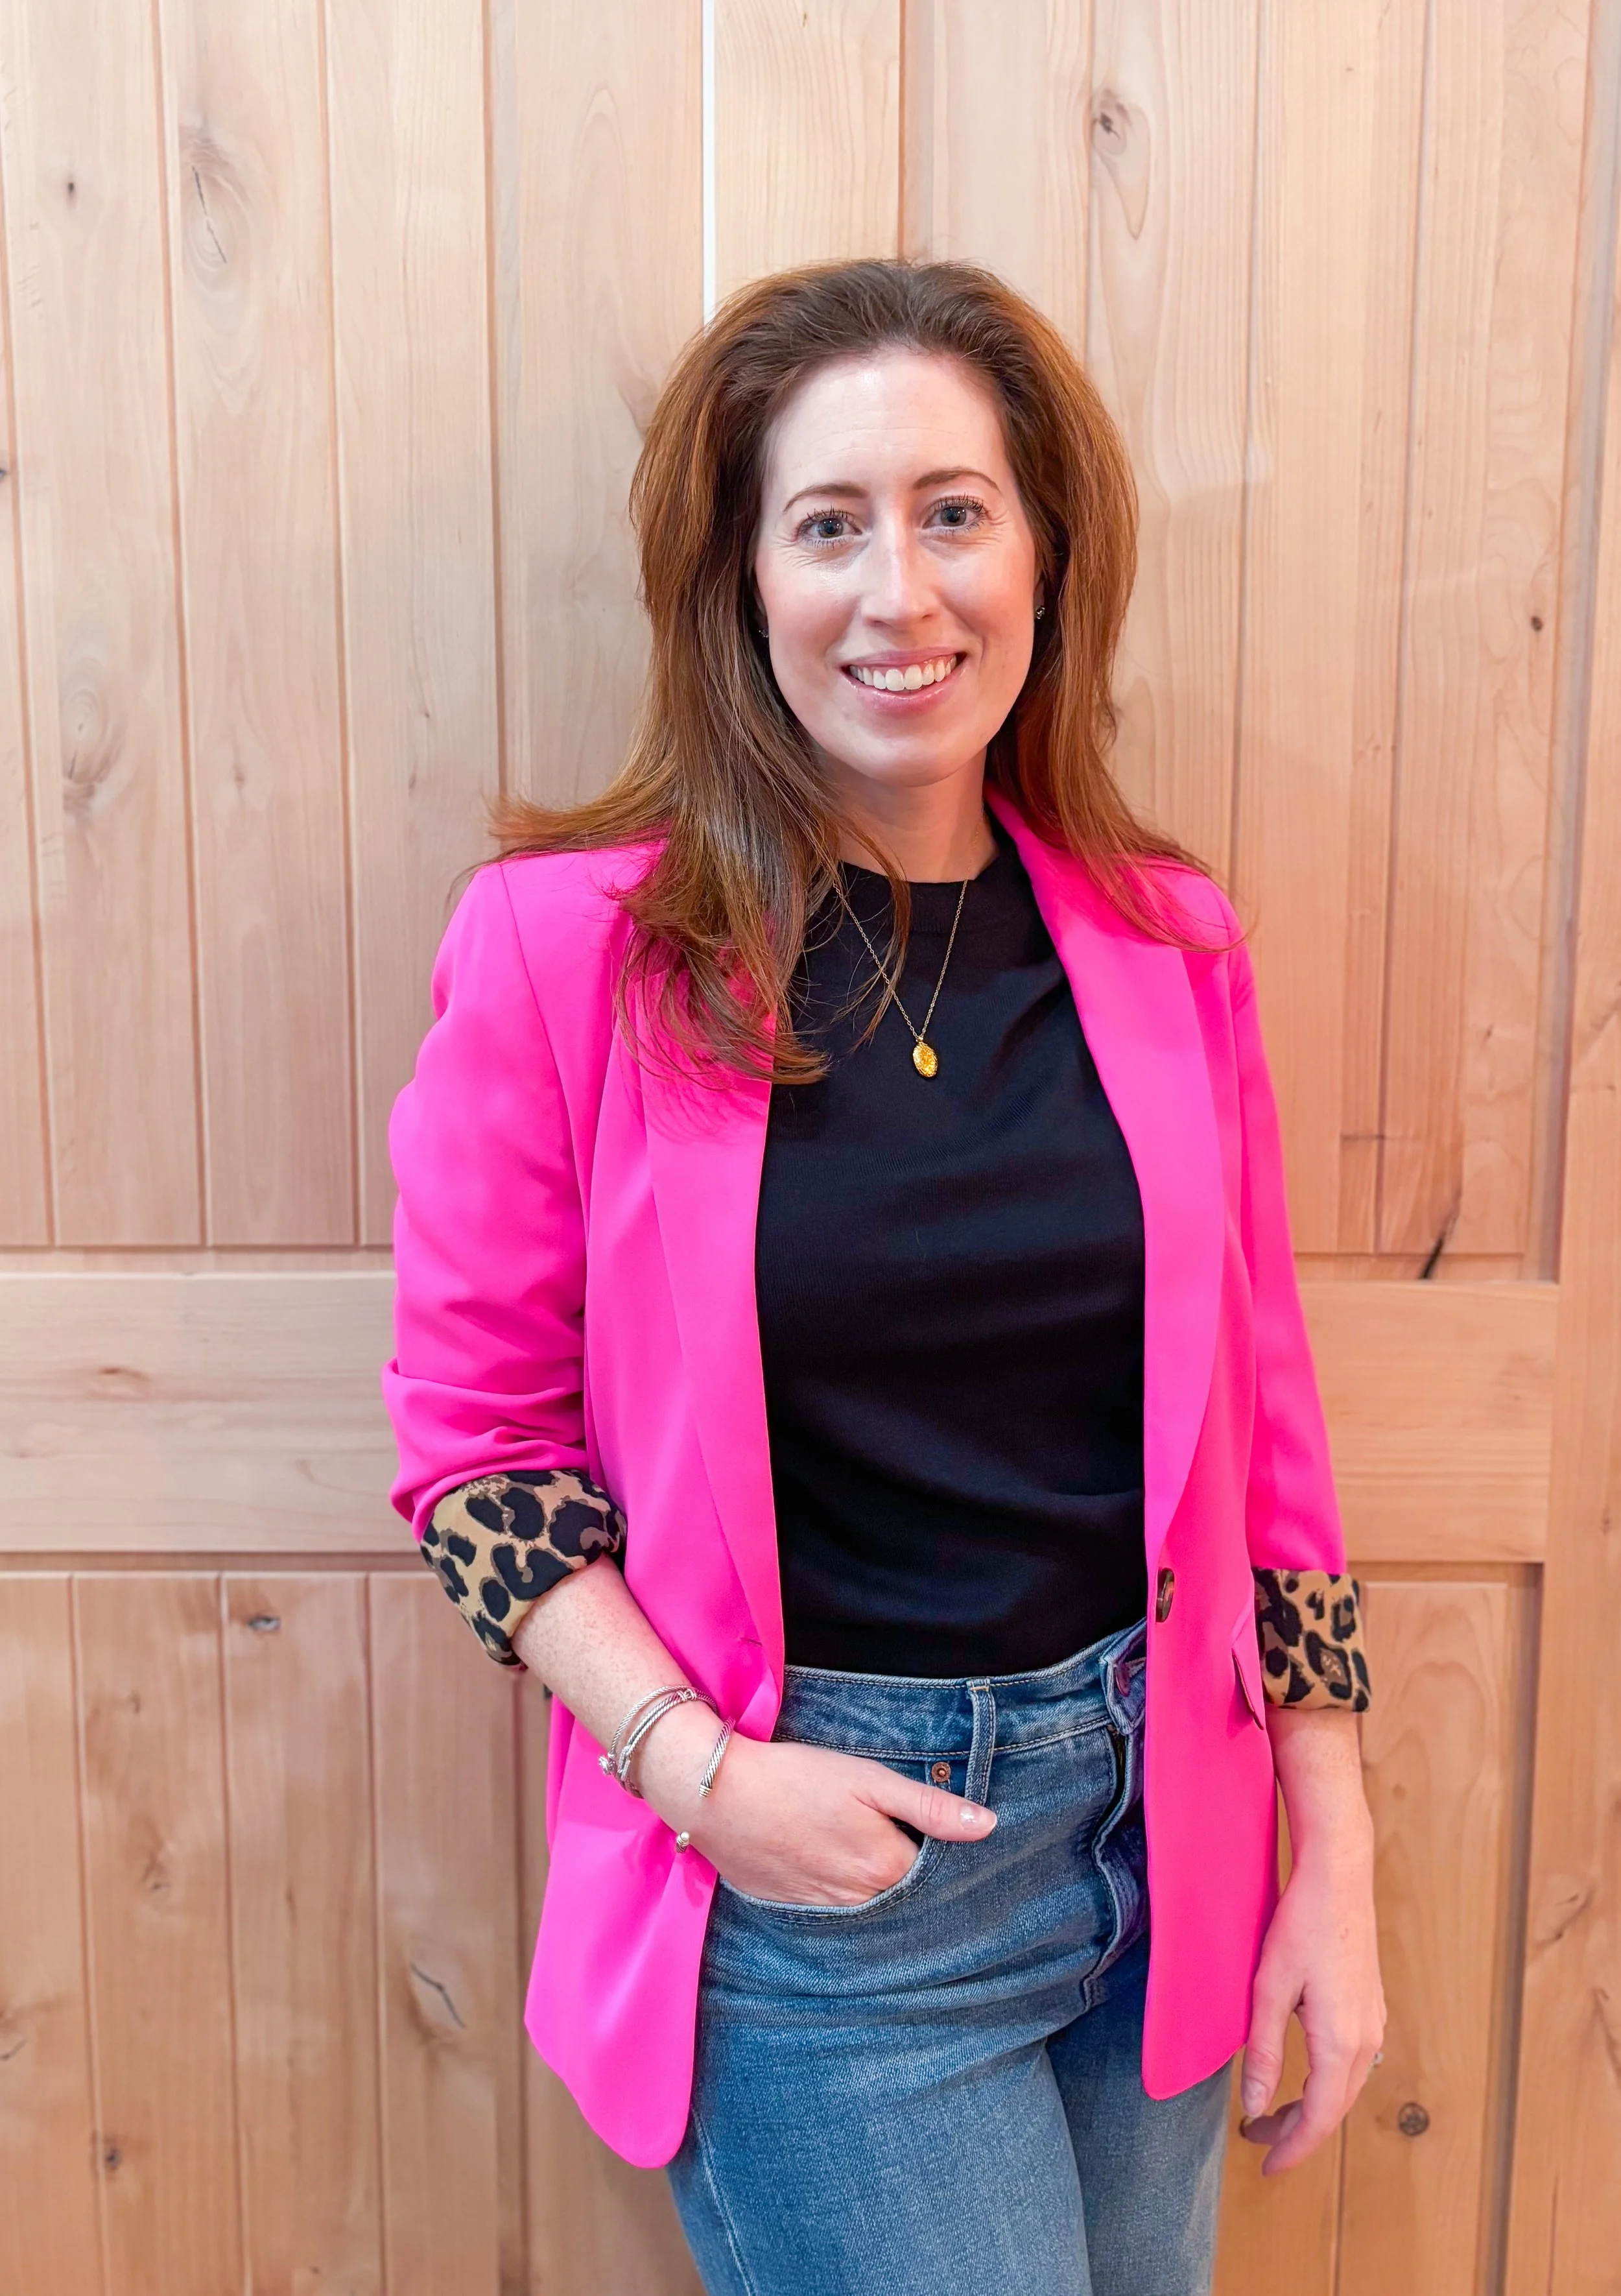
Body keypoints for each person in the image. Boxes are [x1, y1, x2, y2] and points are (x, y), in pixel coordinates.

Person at [383, 258, 1384, 2296]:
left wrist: (1332, 1850)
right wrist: (701, 1776)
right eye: (826, 523)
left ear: (1042, 552)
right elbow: (474, 1461)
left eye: (952, 510)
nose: (897, 593)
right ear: (740, 582)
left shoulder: (1168, 943)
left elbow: (1265, 1435)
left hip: (1155, 1845)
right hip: (820, 1879)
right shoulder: (565, 950)